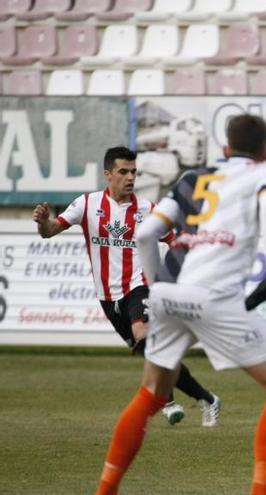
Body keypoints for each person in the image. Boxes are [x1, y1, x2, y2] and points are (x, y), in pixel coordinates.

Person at [94, 115, 266, 495]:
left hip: (170, 293)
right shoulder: (264, 174)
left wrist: (157, 286)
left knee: (151, 393)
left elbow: (146, 234)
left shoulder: (193, 178)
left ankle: (105, 489)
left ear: (225, 149)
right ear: (265, 150)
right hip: (216, 293)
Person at [33, 146, 220, 427]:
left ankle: (168, 402)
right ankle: (206, 399)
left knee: (143, 333)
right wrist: (42, 222)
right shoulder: (87, 204)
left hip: (140, 286)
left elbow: (177, 243)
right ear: (108, 174)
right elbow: (50, 231)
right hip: (107, 296)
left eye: (134, 172)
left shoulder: (148, 210)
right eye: (123, 172)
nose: (130, 177)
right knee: (153, 352)